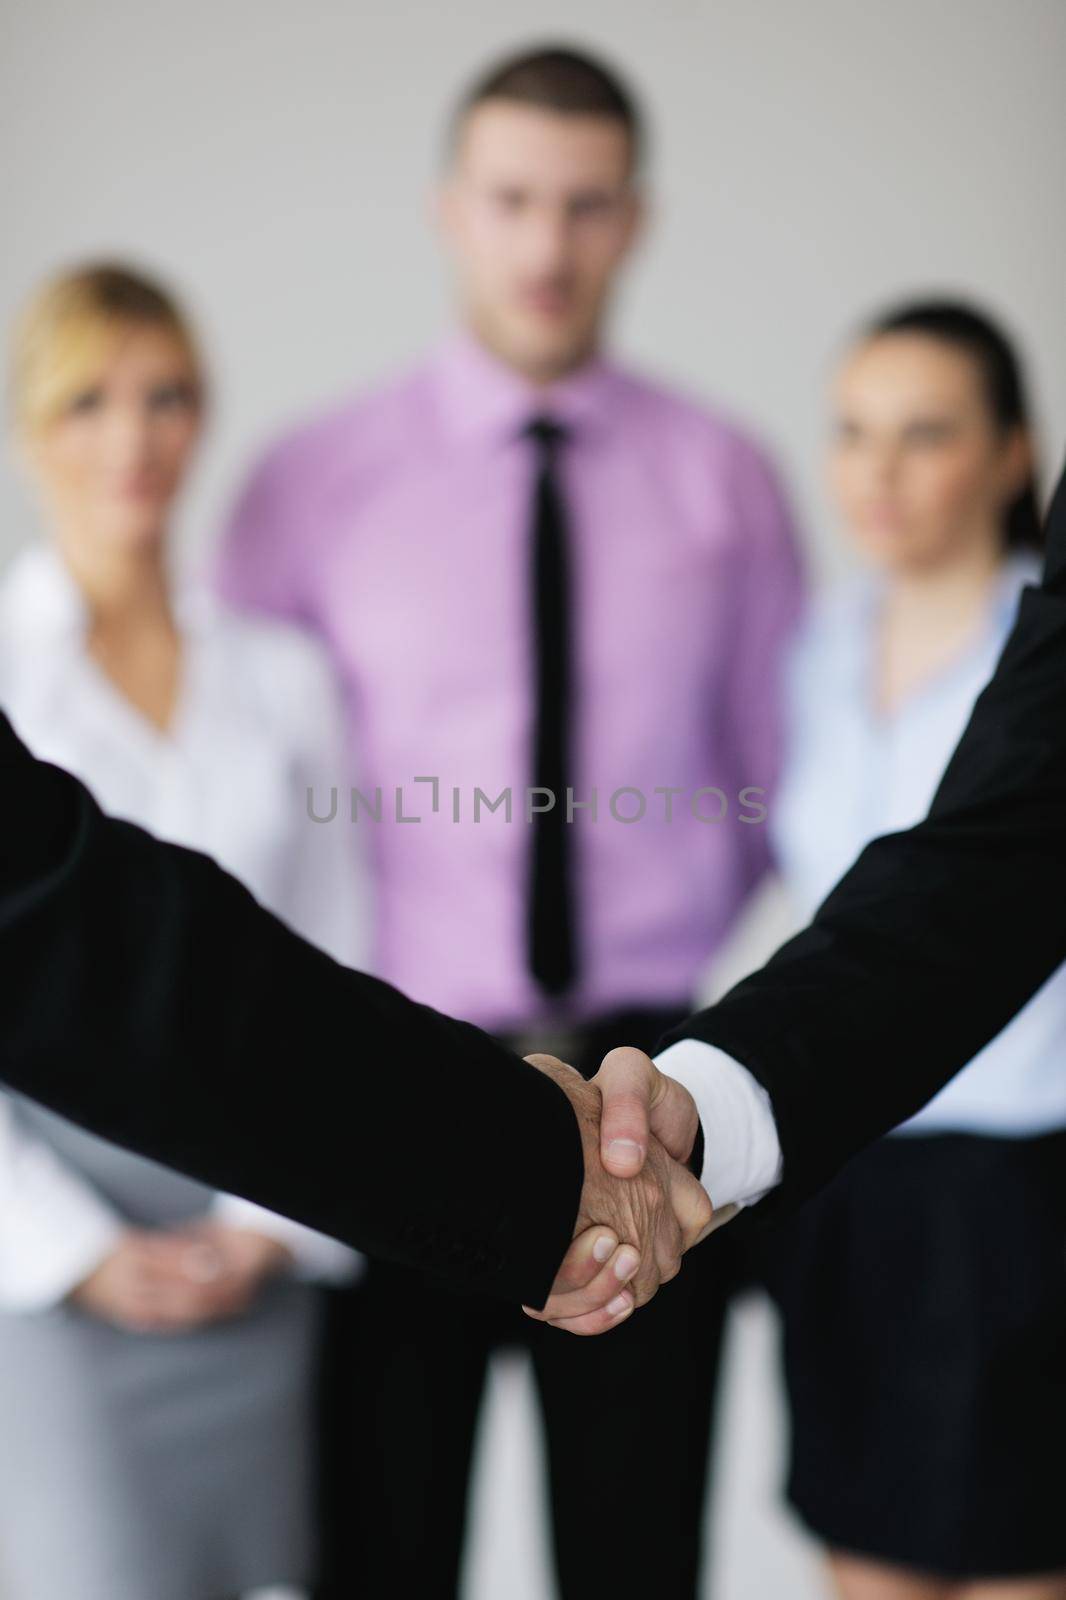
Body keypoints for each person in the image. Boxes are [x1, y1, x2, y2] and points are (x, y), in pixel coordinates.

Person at [214, 41, 803, 1599]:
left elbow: (767, 792)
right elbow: (245, 800)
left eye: (587, 205)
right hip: (388, 1071)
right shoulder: (306, 485)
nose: (548, 246)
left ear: (636, 219)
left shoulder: (725, 483)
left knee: (634, 1554)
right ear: (448, 210)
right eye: (514, 200)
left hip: (637, 1099)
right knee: (384, 1548)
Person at [0, 261, 368, 1600]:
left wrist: (268, 1221)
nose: (131, 438)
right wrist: (75, 1251)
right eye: (86, 400)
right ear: (30, 427)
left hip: (254, 1225)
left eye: (165, 399)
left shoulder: (284, 675)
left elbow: (339, 953)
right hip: (48, 1256)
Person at [764, 300, 1065, 1599]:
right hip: (853, 1187)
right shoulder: (813, 649)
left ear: (1009, 453)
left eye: (923, 434)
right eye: (851, 434)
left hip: (1027, 1193)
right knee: (862, 1556)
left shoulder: (1040, 654)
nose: (875, 475)